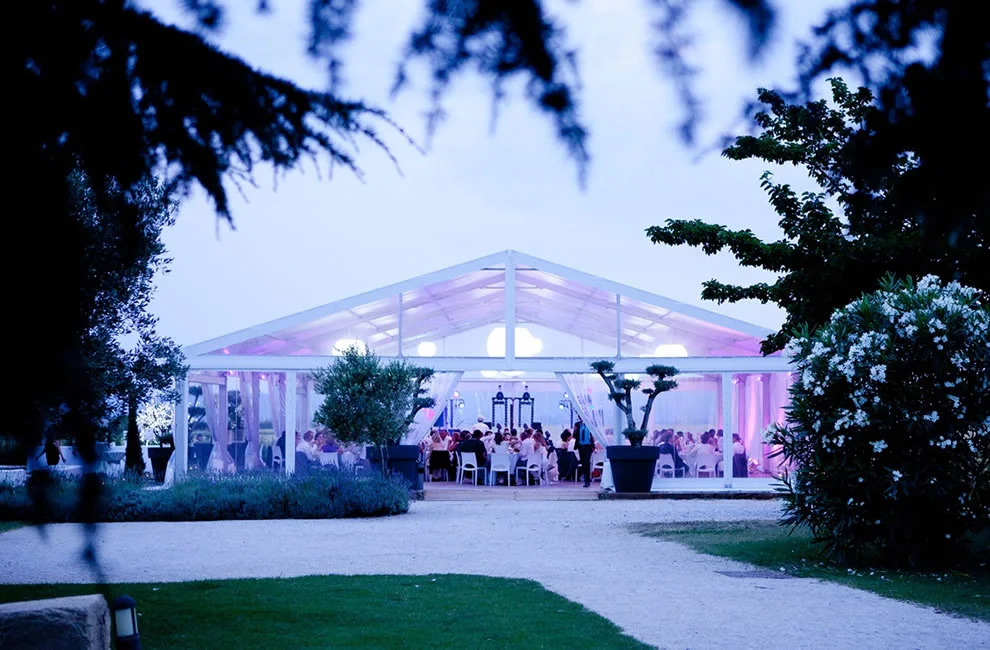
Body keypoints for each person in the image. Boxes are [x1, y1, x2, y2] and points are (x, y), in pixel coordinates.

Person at [574, 418, 595, 487]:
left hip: (588, 446)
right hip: (580, 445)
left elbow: (593, 434)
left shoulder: (590, 424)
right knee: (583, 462)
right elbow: (575, 436)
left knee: (587, 462)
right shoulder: (577, 424)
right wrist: (575, 430)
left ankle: (587, 480)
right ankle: (585, 478)